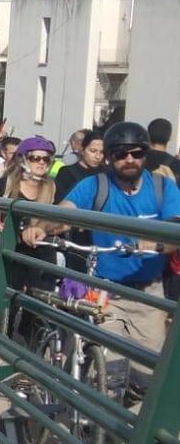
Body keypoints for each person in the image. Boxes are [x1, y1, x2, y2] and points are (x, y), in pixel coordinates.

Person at [25, 121, 180, 402]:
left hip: (149, 295)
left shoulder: (163, 187)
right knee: (112, 372)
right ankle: (101, 434)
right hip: (106, 292)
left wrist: (157, 242)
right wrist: (42, 227)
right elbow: (64, 214)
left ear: (145, 155)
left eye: (136, 153)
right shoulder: (95, 185)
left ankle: (124, 410)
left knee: (147, 378)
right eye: (121, 154)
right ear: (109, 157)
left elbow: (175, 229)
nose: (129, 159)